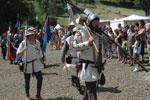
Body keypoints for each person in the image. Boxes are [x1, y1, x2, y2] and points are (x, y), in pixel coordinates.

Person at [73, 14, 111, 100]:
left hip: (98, 65)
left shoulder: (99, 33)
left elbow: (104, 46)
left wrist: (109, 42)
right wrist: (88, 43)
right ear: (90, 23)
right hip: (88, 67)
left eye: (98, 22)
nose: (97, 24)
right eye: (94, 22)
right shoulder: (81, 31)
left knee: (90, 88)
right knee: (92, 90)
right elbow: (74, 46)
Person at [16, 27, 44, 100]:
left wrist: (42, 62)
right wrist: (23, 50)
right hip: (27, 64)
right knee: (27, 80)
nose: (33, 36)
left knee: (40, 78)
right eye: (31, 34)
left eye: (34, 34)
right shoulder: (23, 43)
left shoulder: (37, 42)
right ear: (28, 35)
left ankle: (38, 94)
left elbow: (39, 53)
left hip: (36, 63)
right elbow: (18, 54)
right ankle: (27, 95)